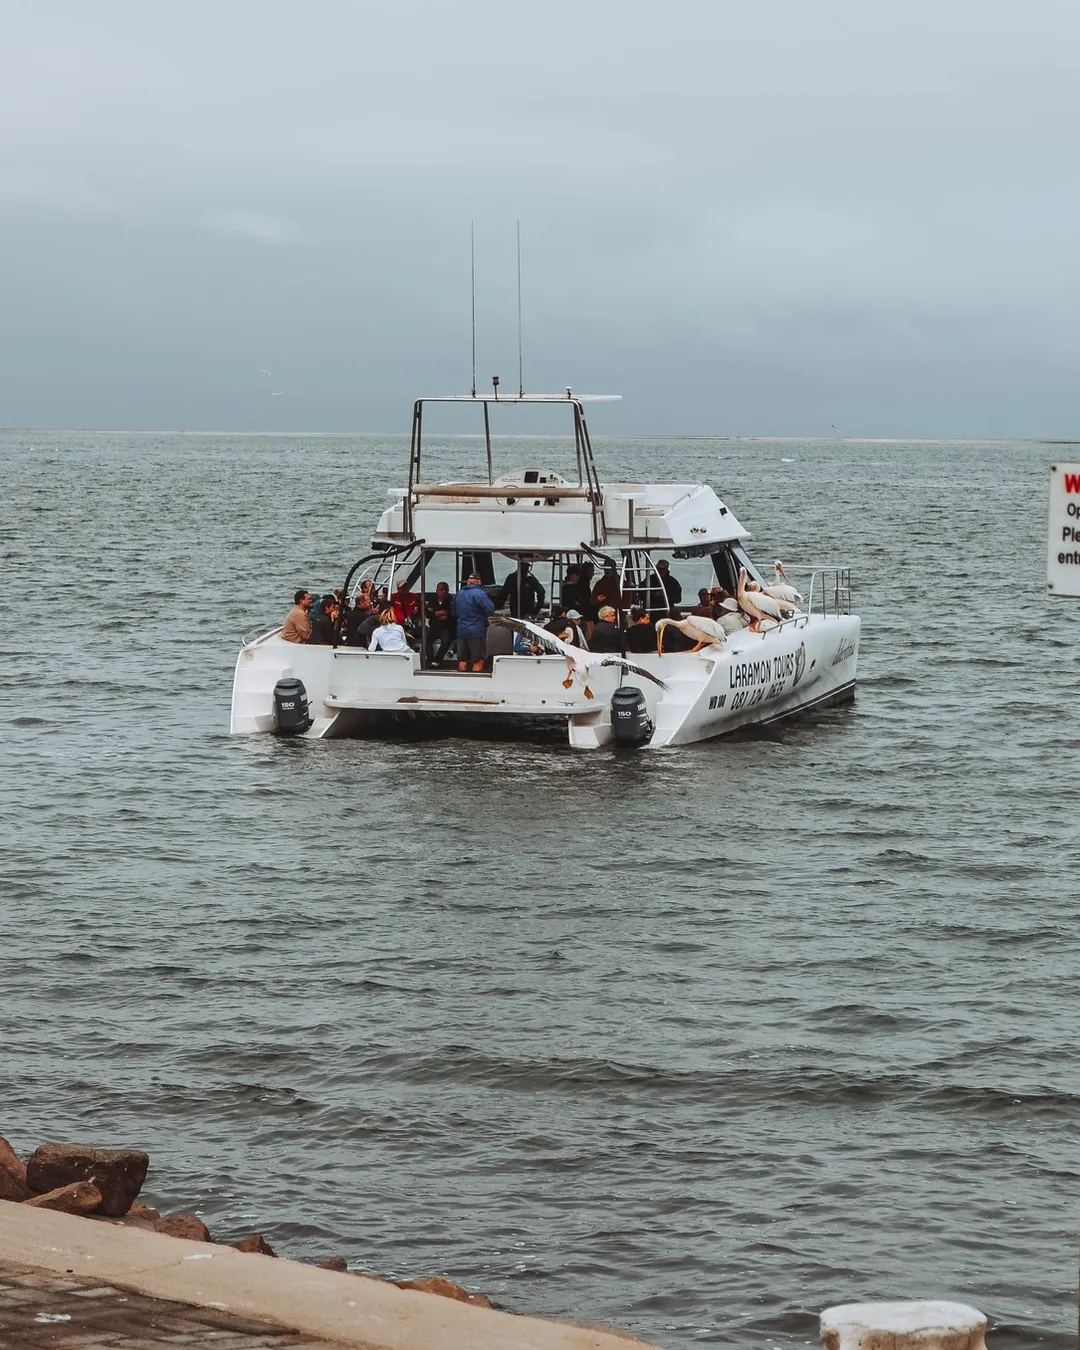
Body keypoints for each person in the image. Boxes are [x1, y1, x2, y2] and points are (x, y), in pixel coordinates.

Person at [453, 572, 495, 672]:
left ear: (468, 582)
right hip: (477, 632)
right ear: (479, 582)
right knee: (479, 660)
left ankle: (461, 683)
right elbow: (490, 610)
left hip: (461, 631)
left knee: (463, 660)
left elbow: (453, 612)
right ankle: (477, 685)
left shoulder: (459, 594)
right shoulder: (480, 594)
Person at [425, 581, 455, 665]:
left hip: (446, 627)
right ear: (437, 590)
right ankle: (430, 660)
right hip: (434, 627)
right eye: (441, 589)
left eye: (445, 590)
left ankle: (438, 661)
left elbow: (451, 615)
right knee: (427, 641)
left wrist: (436, 614)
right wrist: (443, 612)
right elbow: (428, 614)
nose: (443, 592)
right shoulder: (432, 600)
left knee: (446, 641)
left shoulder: (451, 601)